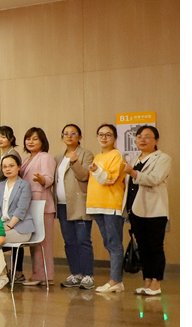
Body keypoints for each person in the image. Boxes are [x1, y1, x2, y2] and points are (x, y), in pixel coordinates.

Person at [125, 125, 170, 296]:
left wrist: (132, 173)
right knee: (143, 248)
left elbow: (154, 179)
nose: (142, 140)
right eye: (139, 137)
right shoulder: (135, 159)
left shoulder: (163, 158)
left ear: (156, 140)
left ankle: (156, 284)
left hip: (154, 210)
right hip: (136, 209)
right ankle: (147, 282)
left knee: (155, 247)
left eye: (147, 136)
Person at [86, 123, 126, 293]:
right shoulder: (97, 156)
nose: (104, 137)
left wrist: (96, 170)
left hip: (111, 205)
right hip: (97, 205)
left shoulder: (116, 155)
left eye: (108, 134)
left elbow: (109, 179)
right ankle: (116, 280)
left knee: (114, 243)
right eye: (100, 134)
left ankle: (115, 280)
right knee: (108, 243)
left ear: (115, 138)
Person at [55, 123, 95, 289]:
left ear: (80, 137)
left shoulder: (85, 154)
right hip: (62, 205)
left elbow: (85, 175)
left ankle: (88, 275)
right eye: (66, 133)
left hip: (79, 204)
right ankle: (76, 274)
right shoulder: (58, 157)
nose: (69, 136)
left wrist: (75, 162)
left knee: (83, 240)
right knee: (69, 241)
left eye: (73, 133)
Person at [0, 154, 34, 290]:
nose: (7, 169)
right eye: (4, 167)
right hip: (4, 225)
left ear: (19, 167)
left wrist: (9, 226)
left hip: (20, 228)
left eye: (11, 166)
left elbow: (21, 209)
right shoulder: (0, 185)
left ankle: (1, 275)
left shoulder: (24, 185)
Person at [19, 127, 56, 285]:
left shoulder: (45, 157)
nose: (31, 142)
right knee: (35, 242)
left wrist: (41, 179)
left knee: (44, 242)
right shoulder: (26, 159)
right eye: (28, 139)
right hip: (31, 204)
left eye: (35, 139)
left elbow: (49, 179)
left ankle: (44, 276)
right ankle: (37, 274)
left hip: (43, 204)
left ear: (42, 141)